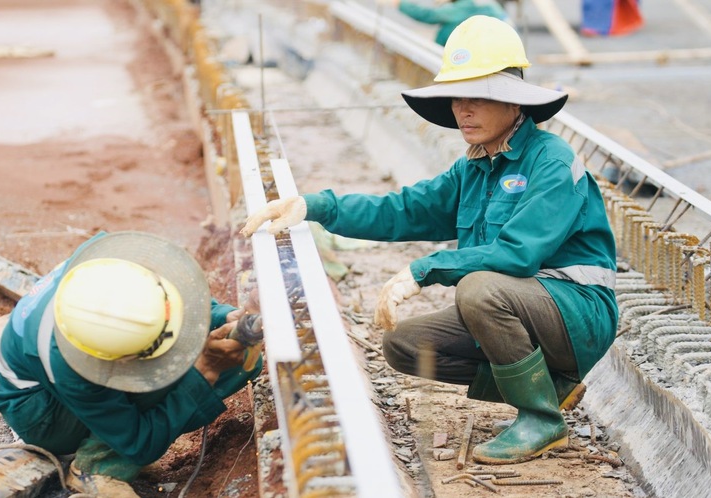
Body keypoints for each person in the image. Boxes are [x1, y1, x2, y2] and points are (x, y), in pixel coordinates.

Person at [240, 15, 617, 465]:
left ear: (515, 102)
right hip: (521, 308)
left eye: (479, 97)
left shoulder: (551, 160)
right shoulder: (476, 167)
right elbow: (403, 210)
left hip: (578, 314)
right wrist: (316, 207)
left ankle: (540, 419)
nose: (464, 109)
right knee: (404, 344)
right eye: (458, 97)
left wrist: (421, 270)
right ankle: (550, 389)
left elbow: (518, 254)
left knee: (478, 288)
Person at [0, 231, 263, 496]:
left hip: (75, 373)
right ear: (113, 358)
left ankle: (121, 433)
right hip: (39, 411)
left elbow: (182, 309)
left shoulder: (120, 267)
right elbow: (138, 443)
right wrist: (207, 369)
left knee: (240, 362)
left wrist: (227, 319)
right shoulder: (67, 362)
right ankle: (96, 469)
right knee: (188, 373)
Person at [379, 0, 511, 46]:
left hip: (498, 45)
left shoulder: (465, 6)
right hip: (504, 41)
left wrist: (399, 3)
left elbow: (430, 15)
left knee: (448, 29)